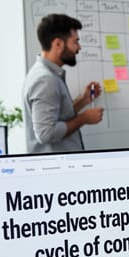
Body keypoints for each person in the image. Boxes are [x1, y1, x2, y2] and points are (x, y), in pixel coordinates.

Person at [22, 13, 104, 153]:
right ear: (58, 44)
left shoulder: (48, 74)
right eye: (75, 42)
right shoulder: (45, 80)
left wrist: (82, 100)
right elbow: (46, 134)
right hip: (55, 168)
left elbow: (56, 117)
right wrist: (84, 118)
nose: (79, 48)